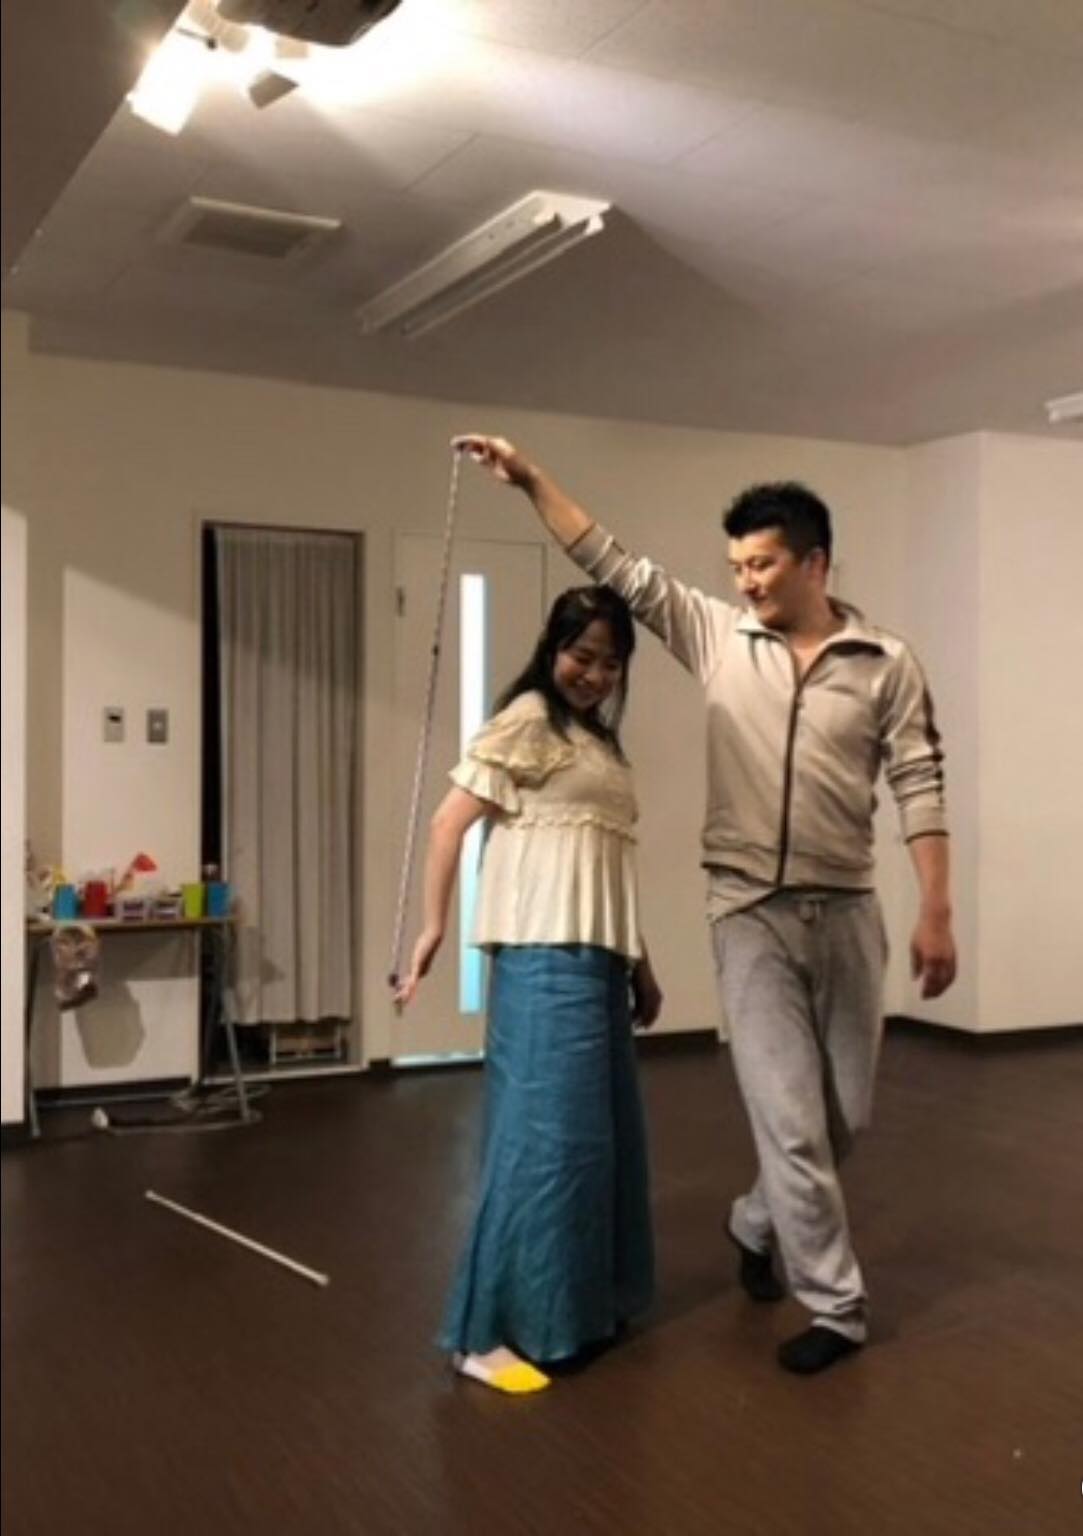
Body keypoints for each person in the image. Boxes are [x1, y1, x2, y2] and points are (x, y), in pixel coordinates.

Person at [452, 434, 958, 1376]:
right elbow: (610, 561)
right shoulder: (717, 636)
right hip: (747, 911)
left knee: (841, 1119)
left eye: (761, 564)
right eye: (735, 567)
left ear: (814, 563)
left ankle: (755, 1221)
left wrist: (936, 908)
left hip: (848, 911)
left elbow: (919, 783)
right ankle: (837, 1305)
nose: (745, 581)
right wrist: (530, 480)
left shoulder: (886, 662)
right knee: (789, 1121)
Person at [394, 585, 661, 1395]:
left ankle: (580, 1308)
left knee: (597, 1146)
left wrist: (639, 963)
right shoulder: (528, 720)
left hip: (596, 963)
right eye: (581, 656)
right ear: (552, 648)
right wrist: (433, 929)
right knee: (539, 1149)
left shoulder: (598, 743)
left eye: (610, 663)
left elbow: (604, 863)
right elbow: (447, 823)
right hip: (542, 960)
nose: (594, 674)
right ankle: (485, 1332)